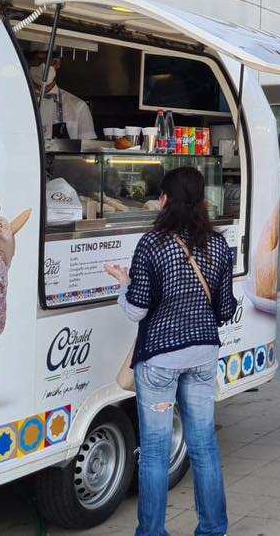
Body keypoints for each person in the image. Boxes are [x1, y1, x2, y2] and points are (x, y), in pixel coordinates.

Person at [105, 167, 237, 536]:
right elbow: (225, 310)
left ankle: (151, 532)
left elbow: (136, 309)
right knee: (204, 446)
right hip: (203, 356)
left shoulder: (153, 243)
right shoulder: (218, 245)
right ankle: (213, 529)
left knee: (155, 451)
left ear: (164, 199)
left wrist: (124, 285)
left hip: (161, 361)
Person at [26, 47, 96, 141]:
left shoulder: (78, 106)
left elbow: (87, 150)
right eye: (37, 60)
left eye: (48, 61)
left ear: (57, 63)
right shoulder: (17, 103)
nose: (43, 66)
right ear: (28, 64)